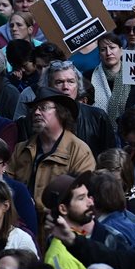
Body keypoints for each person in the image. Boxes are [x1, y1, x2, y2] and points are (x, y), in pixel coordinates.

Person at [8, 88, 96, 221]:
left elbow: (81, 197)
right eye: (35, 108)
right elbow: (7, 186)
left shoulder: (80, 151)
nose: (37, 112)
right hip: (20, 226)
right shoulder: (21, 149)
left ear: (61, 113)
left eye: (43, 108)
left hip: (57, 228)